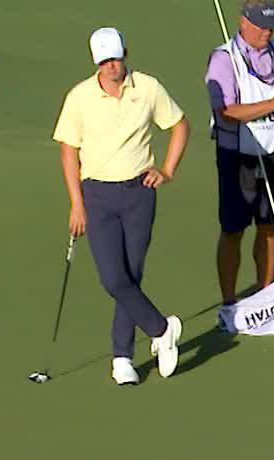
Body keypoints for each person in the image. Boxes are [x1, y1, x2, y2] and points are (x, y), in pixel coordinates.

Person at [53, 27, 190, 385]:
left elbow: (179, 125)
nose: (111, 66)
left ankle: (122, 358)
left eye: (115, 58)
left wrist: (167, 170)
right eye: (104, 61)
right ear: (95, 62)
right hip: (96, 197)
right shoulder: (80, 97)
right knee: (113, 279)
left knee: (132, 274)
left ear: (125, 53)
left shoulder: (147, 88)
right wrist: (76, 204)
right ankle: (162, 330)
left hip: (139, 193)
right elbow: (68, 153)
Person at [208, 3, 274, 311]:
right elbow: (226, 112)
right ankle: (229, 303)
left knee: (269, 226)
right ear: (244, 22)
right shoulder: (224, 59)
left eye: (271, 25)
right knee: (233, 229)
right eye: (262, 25)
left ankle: (266, 299)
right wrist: (273, 103)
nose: (268, 31)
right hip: (239, 158)